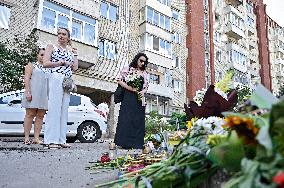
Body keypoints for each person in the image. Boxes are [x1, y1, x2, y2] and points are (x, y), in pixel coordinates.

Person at [43, 27, 78, 149]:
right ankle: (51, 140)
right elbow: (45, 63)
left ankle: (61, 139)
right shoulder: (51, 46)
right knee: (54, 108)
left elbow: (75, 68)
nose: (61, 36)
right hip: (56, 77)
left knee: (64, 109)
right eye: (59, 34)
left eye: (64, 34)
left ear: (68, 37)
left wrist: (75, 54)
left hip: (67, 80)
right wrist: (61, 63)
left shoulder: (69, 50)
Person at [114, 53, 149, 149]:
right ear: (136, 59)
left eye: (144, 62)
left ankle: (137, 143)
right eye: (141, 61)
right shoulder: (128, 68)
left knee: (138, 120)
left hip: (139, 99)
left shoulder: (145, 73)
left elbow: (146, 86)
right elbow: (119, 80)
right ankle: (124, 143)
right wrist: (130, 88)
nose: (142, 63)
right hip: (128, 97)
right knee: (127, 118)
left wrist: (143, 92)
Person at [22, 48, 48, 145]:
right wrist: (28, 92)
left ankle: (36, 138)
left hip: (44, 94)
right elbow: (27, 78)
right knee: (30, 114)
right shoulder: (31, 65)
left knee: (40, 115)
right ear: (37, 55)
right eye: (41, 55)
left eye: (45, 55)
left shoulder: (48, 68)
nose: (43, 57)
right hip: (33, 93)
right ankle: (26, 138)